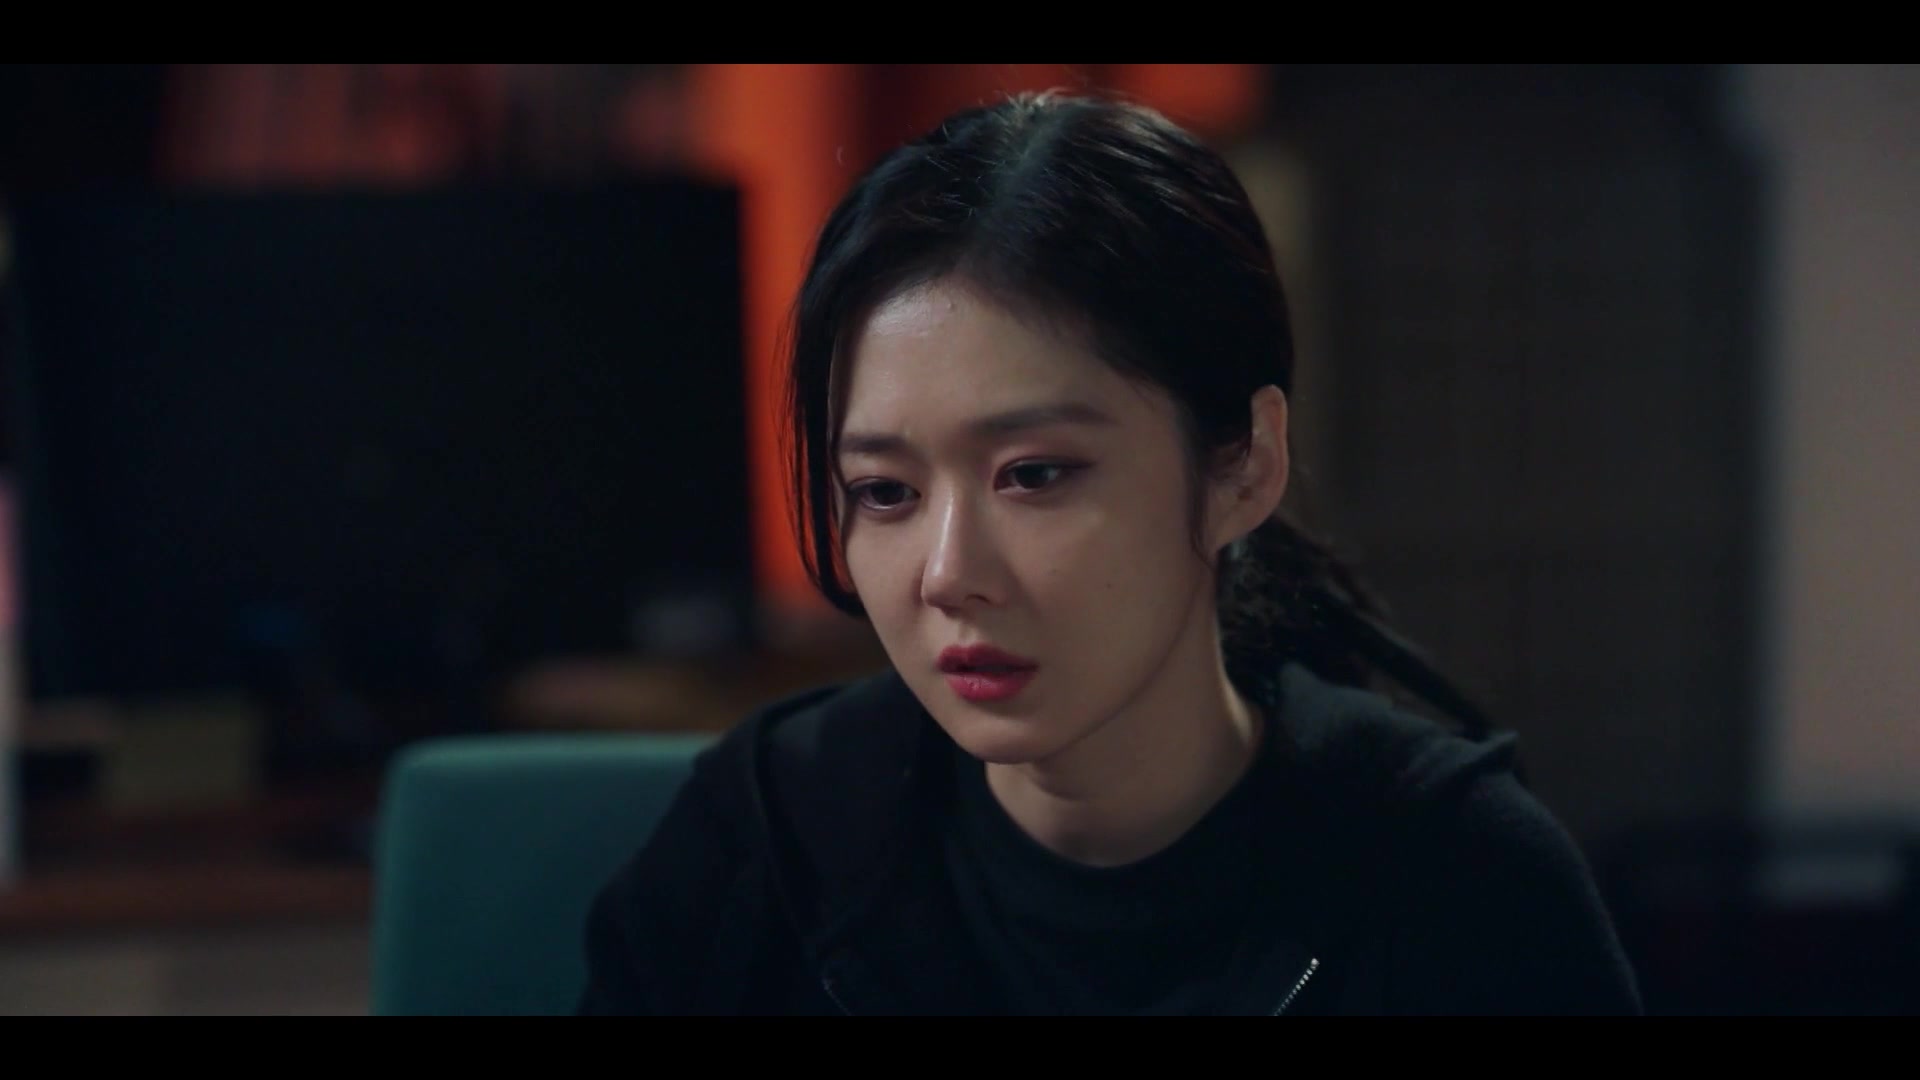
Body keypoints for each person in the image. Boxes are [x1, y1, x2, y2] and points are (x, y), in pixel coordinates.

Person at [577, 89, 1643, 1015]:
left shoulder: (1457, 883)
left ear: (1245, 468)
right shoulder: (768, 843)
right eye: (886, 492)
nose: (948, 573)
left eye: (1035, 474)